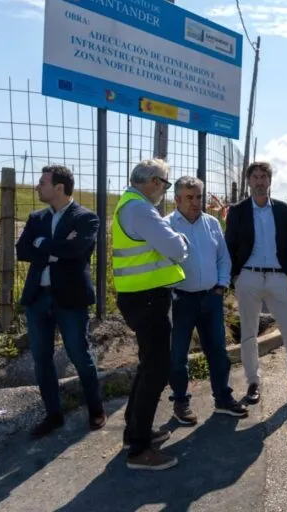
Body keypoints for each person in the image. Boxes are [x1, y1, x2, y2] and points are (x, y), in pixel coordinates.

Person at [15, 165, 104, 438]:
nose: (37, 187)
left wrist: (43, 245)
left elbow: (77, 249)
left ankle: (96, 409)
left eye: (42, 183)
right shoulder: (37, 218)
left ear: (59, 188)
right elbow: (22, 250)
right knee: (41, 358)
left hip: (71, 299)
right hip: (38, 298)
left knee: (80, 355)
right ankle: (53, 414)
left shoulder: (86, 218)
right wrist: (55, 248)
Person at [113, 158, 188, 471]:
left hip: (140, 297)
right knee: (156, 371)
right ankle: (139, 450)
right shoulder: (141, 209)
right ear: (155, 181)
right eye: (166, 184)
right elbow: (177, 248)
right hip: (146, 300)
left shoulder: (129, 204)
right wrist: (179, 238)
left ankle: (135, 432)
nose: (164, 191)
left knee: (148, 367)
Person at [225, 161, 287, 404]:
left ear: (269, 181)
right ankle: (253, 382)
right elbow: (230, 245)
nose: (259, 181)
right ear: (248, 181)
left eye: (263, 177)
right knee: (248, 334)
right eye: (255, 177)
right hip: (249, 277)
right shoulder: (238, 211)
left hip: (278, 278)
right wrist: (236, 277)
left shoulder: (282, 209)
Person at [164, 176, 248, 425]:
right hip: (180, 300)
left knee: (218, 352)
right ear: (177, 199)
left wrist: (221, 285)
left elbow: (223, 257)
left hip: (211, 298)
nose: (195, 202)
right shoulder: (166, 226)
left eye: (199, 197)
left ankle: (222, 398)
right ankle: (181, 401)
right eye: (189, 197)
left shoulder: (211, 223)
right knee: (178, 354)